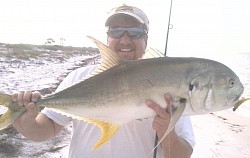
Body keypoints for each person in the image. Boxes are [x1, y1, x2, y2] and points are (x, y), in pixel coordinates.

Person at [12, 4, 195, 158]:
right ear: (108, 38)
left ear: (145, 40)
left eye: (135, 32)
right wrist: (24, 123)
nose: (125, 39)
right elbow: (47, 129)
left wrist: (166, 132)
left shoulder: (170, 84)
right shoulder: (79, 78)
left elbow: (183, 153)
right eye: (116, 32)